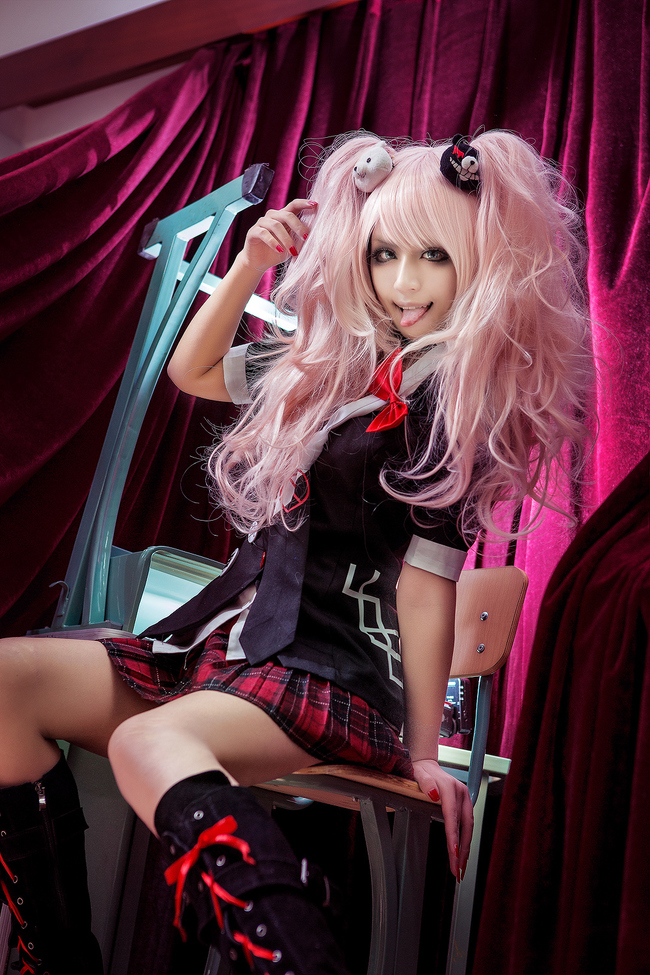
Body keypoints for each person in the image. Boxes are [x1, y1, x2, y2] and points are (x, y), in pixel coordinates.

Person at [0, 131, 593, 975]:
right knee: (5, 682)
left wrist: (425, 750)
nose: (405, 281)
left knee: (146, 744)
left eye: (433, 255)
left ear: (481, 263)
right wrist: (250, 262)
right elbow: (193, 371)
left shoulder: (454, 400)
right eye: (385, 253)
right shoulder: (331, 360)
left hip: (333, 669)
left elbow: (428, 586)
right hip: (230, 648)